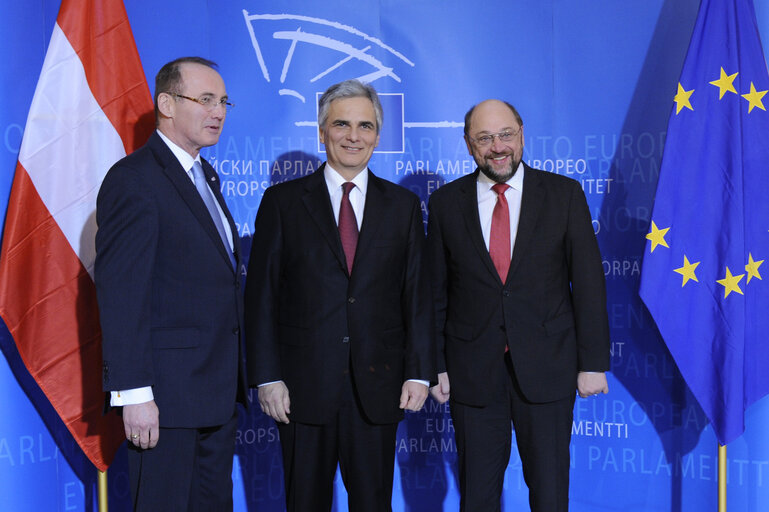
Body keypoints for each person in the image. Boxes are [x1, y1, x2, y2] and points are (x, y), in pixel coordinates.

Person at [245, 79, 435, 512]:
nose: (354, 136)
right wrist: (268, 377)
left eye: (365, 126)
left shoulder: (403, 205)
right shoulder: (282, 202)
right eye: (342, 124)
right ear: (321, 131)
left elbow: (417, 295)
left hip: (379, 388)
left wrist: (419, 372)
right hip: (301, 389)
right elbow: (261, 299)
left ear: (377, 136)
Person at [427, 99, 610, 512]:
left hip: (548, 369)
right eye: (485, 138)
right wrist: (433, 363)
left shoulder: (564, 195)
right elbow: (435, 293)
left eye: (506, 134)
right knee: (477, 495)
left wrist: (592, 362)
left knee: (549, 495)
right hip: (471, 373)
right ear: (468, 145)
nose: (497, 146)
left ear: (522, 134)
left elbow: (588, 284)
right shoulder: (445, 204)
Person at [95, 56, 247, 511]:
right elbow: (122, 293)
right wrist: (136, 395)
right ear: (166, 103)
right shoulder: (134, 180)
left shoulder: (206, 175)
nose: (217, 111)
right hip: (166, 401)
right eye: (204, 100)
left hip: (215, 397)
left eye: (222, 101)